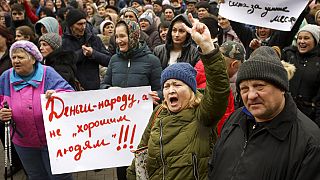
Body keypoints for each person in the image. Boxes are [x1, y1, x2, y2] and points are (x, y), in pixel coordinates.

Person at [126, 13, 230, 179]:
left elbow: (219, 90)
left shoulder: (202, 114)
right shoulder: (158, 113)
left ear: (191, 90)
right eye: (166, 86)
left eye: (177, 85)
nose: (170, 90)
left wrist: (208, 48)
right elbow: (141, 154)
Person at [208, 46, 320, 180]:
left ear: (282, 87)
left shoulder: (310, 142)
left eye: (259, 86)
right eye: (244, 88)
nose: (251, 95)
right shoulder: (235, 119)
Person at [0, 40, 74, 180]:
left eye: (20, 57)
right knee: (35, 176)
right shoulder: (6, 77)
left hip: (52, 140)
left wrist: (57, 95)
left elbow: (69, 93)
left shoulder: (48, 73)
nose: (16, 61)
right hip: (23, 141)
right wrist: (1, 113)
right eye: (13, 57)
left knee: (60, 177)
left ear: (33, 58)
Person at [100, 19, 162, 179]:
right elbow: (104, 85)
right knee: (122, 169)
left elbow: (161, 90)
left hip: (143, 127)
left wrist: (158, 95)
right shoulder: (114, 60)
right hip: (119, 126)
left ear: (134, 35)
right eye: (116, 36)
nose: (119, 40)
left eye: (123, 36)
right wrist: (108, 89)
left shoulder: (152, 61)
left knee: (141, 170)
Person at [61, 9, 111, 90]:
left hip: (94, 89)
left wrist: (93, 53)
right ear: (71, 26)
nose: (83, 27)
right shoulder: (64, 42)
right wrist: (81, 53)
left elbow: (108, 60)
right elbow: (63, 63)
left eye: (84, 23)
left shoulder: (94, 39)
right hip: (73, 89)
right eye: (79, 24)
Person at [282, 24, 320, 127]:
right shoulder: (288, 55)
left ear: (315, 41)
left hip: (308, 118)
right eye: (299, 38)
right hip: (284, 113)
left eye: (306, 38)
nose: (302, 41)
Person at [0, 24, 24, 178]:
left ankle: (21, 161)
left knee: (15, 133)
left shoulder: (12, 55)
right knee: (3, 134)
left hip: (11, 99)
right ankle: (13, 161)